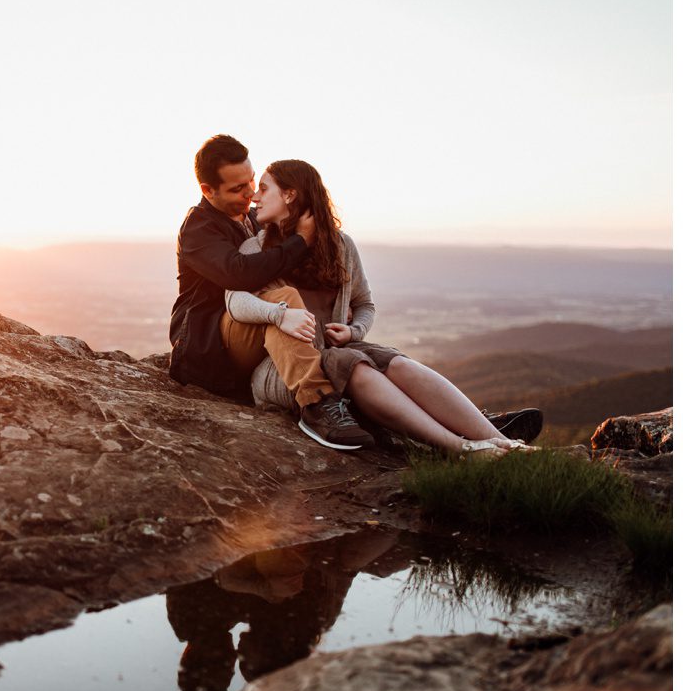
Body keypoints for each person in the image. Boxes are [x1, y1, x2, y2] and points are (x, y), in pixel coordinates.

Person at [225, 159, 537, 458]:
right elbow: (234, 301)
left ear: (290, 194)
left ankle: (504, 443)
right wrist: (279, 314)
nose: (255, 196)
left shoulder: (341, 246)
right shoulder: (256, 248)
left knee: (396, 363)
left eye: (264, 188)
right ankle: (460, 448)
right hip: (285, 368)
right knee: (354, 365)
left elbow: (365, 304)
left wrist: (353, 330)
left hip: (338, 351)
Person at [168, 135, 375, 450]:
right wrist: (301, 240)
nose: (251, 194)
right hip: (210, 348)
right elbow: (241, 273)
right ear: (208, 190)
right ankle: (317, 403)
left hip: (257, 338)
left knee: (286, 303)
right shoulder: (199, 228)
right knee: (284, 300)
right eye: (238, 189)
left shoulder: (252, 219)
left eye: (251, 182)